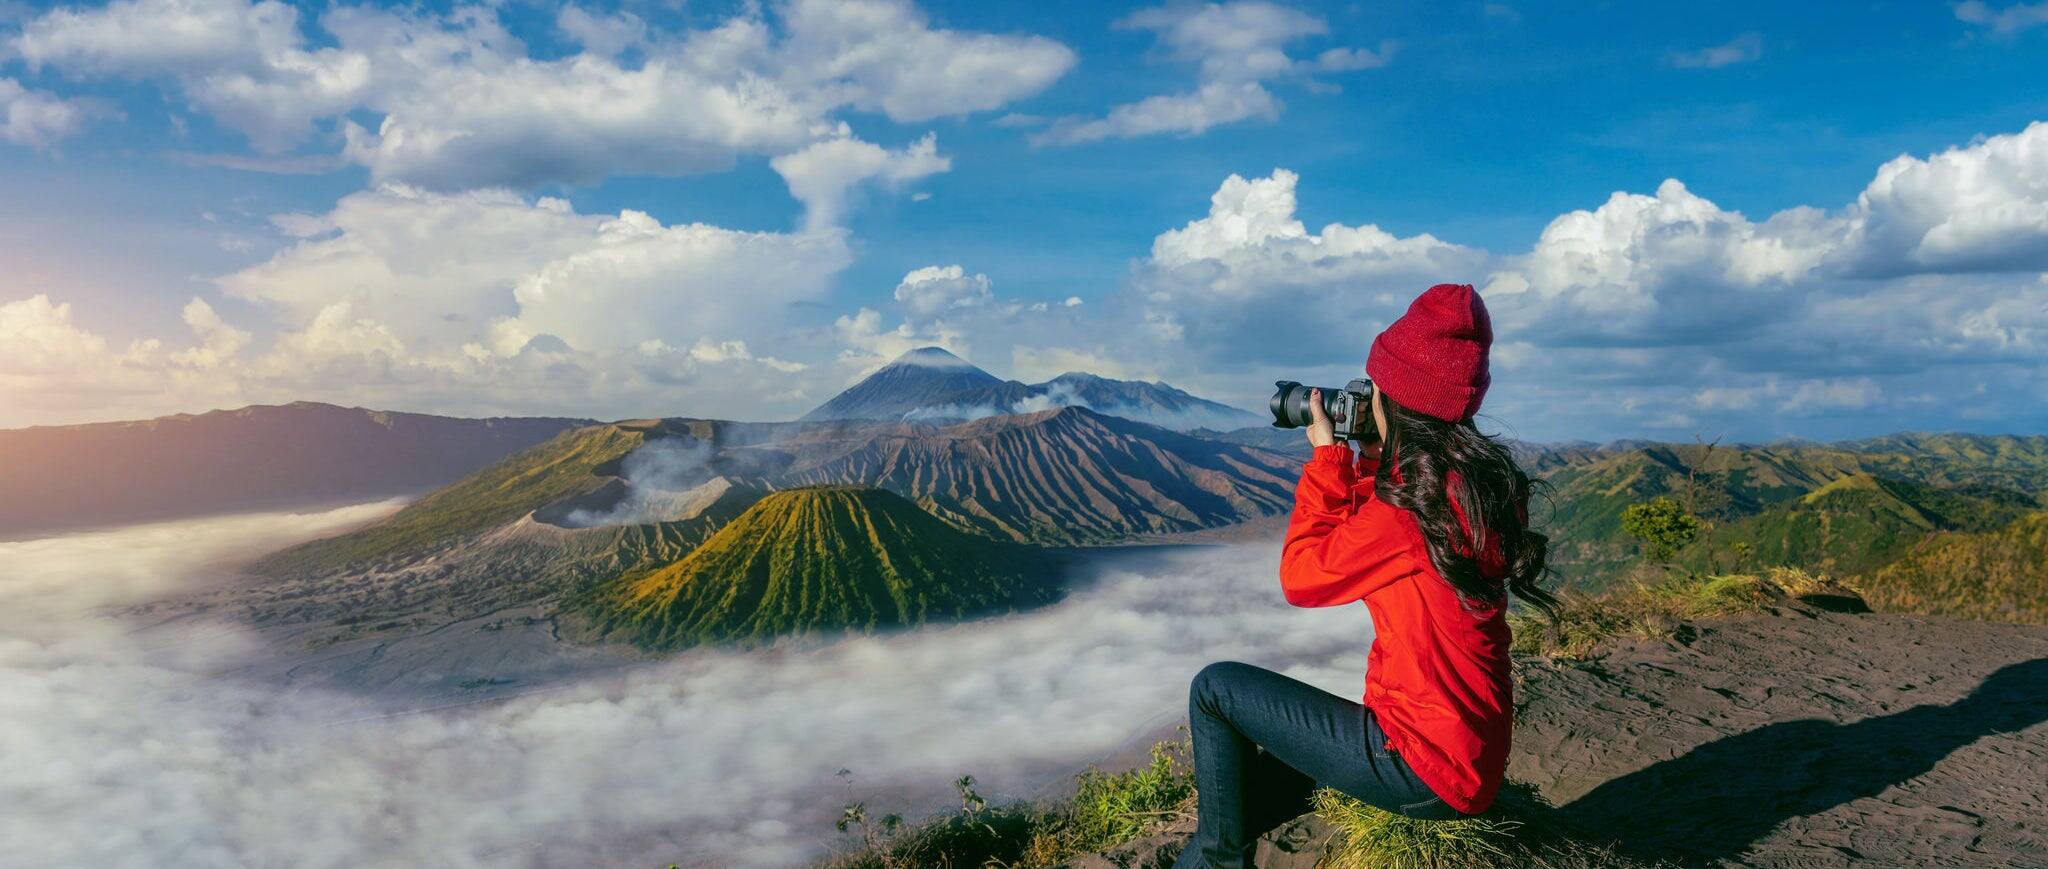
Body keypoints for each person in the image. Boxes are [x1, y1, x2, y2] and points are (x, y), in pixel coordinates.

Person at [1173, 283, 1562, 868]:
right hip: (1467, 755)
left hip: (1422, 767)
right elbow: (1382, 540)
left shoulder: (1408, 515)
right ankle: (1218, 842)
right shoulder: (1477, 489)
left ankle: (1217, 863)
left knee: (1214, 689)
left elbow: (1302, 579)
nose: (1367, 399)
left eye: (1375, 389)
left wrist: (1331, 460)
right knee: (1266, 777)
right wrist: (1382, 454)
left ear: (1398, 399)